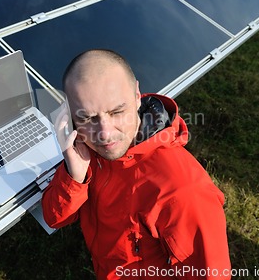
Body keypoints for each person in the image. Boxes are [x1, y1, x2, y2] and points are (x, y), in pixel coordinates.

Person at [42, 49, 231, 279]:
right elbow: (54, 217)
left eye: (117, 111)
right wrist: (75, 176)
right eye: (87, 118)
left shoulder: (183, 193)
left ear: (137, 96)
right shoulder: (87, 151)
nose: (104, 133)